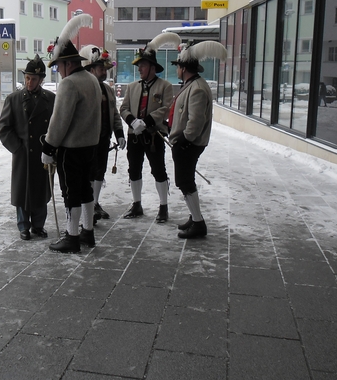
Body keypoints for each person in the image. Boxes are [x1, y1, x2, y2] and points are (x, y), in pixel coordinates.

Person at [41, 14, 102, 253]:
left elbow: (60, 121)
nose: (58, 71)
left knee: (71, 193)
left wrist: (48, 147)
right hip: (90, 146)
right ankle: (87, 232)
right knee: (85, 190)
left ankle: (72, 236)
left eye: (57, 66)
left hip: (72, 148)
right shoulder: (91, 79)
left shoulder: (69, 84)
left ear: (66, 63)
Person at [168, 40, 227, 238]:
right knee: (185, 181)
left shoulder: (198, 88)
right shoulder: (192, 85)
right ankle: (195, 218)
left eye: (178, 66)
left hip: (188, 143)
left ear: (184, 68)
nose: (177, 70)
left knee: (185, 182)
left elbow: (195, 120)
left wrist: (184, 140)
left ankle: (199, 223)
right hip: (185, 142)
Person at [120, 32, 180, 223]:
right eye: (138, 66)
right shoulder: (132, 87)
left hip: (154, 136)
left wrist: (146, 122)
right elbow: (123, 108)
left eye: (143, 65)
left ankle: (163, 207)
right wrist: (132, 121)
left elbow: (165, 107)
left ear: (152, 67)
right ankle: (137, 204)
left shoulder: (165, 86)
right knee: (133, 170)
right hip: (134, 135)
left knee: (158, 170)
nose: (139, 69)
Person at [0, 54, 55, 241]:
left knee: (41, 189)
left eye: (34, 79)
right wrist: (18, 148)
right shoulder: (14, 100)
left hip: (43, 152)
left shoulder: (50, 99)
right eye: (27, 78)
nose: (29, 82)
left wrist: (52, 148)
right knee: (22, 190)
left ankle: (38, 226)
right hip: (22, 153)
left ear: (41, 80)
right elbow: (4, 128)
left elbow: (56, 126)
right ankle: (23, 226)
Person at [78, 45, 126, 224]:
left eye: (105, 69)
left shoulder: (108, 90)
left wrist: (119, 133)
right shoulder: (84, 88)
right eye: (101, 69)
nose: (104, 72)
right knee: (88, 174)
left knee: (100, 172)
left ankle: (95, 203)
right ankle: (87, 208)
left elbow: (114, 113)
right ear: (91, 70)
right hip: (87, 141)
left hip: (103, 139)